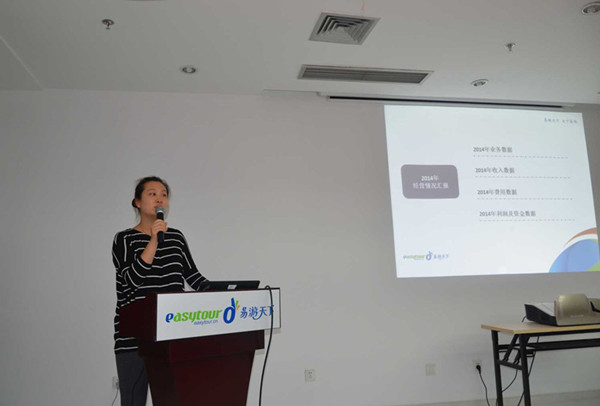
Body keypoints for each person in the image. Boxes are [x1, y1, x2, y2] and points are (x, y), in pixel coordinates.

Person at [112, 176, 209, 406]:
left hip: (171, 336)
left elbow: (194, 278)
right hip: (133, 340)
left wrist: (227, 292)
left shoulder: (176, 238)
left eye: (164, 195)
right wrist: (154, 241)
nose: (160, 199)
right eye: (152, 194)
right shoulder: (124, 239)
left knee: (172, 401)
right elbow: (132, 280)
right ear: (137, 202)